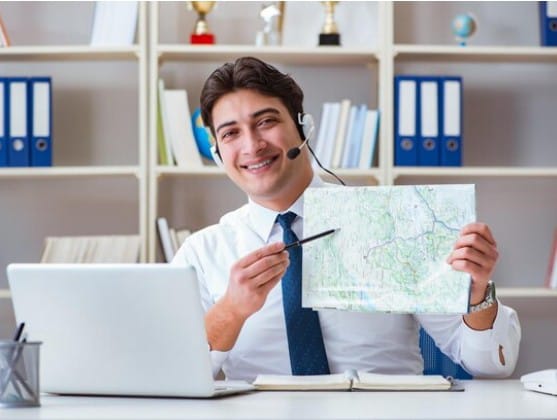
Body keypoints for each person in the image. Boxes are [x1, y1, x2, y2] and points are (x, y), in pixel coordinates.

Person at [172, 56, 521, 382]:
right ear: (218, 153)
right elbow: (173, 374)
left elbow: (488, 365)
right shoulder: (202, 253)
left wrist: (477, 296)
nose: (251, 145)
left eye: (265, 122)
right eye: (231, 133)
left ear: (303, 128)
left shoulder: (395, 223)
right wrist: (231, 311)